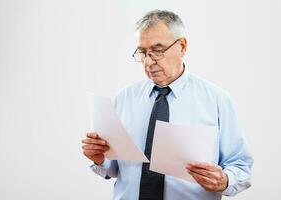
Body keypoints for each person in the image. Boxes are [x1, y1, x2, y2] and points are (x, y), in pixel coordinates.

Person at [82, 9, 253, 200]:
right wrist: (99, 158)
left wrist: (225, 180)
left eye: (157, 51)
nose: (148, 62)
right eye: (143, 52)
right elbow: (113, 169)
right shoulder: (124, 97)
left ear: (182, 46)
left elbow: (241, 165)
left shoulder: (216, 99)